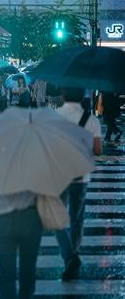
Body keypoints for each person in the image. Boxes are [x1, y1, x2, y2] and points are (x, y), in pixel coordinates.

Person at [55, 86, 102, 281]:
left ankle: (70, 257)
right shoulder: (91, 120)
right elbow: (98, 150)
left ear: (63, 94)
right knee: (77, 218)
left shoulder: (54, 116)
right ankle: (73, 256)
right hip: (81, 175)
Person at [0, 179, 42, 299]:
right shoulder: (37, 164)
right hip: (30, 219)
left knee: (6, 274)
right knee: (28, 271)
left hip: (5, 220)